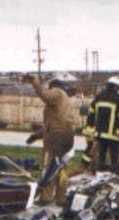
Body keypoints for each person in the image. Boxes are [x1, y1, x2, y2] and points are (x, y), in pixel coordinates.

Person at [24, 75, 75, 205]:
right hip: (68, 135)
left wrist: (35, 82)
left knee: (49, 165)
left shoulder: (57, 92)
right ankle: (61, 198)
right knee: (62, 166)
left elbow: (45, 96)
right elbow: (53, 123)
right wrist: (37, 135)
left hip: (56, 137)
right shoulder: (65, 101)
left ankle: (46, 197)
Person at [84, 76, 119, 167]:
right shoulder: (118, 99)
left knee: (102, 154)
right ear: (116, 87)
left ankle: (101, 169)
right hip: (113, 134)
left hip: (100, 133)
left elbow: (91, 113)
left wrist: (90, 128)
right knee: (114, 156)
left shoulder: (99, 96)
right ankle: (114, 169)